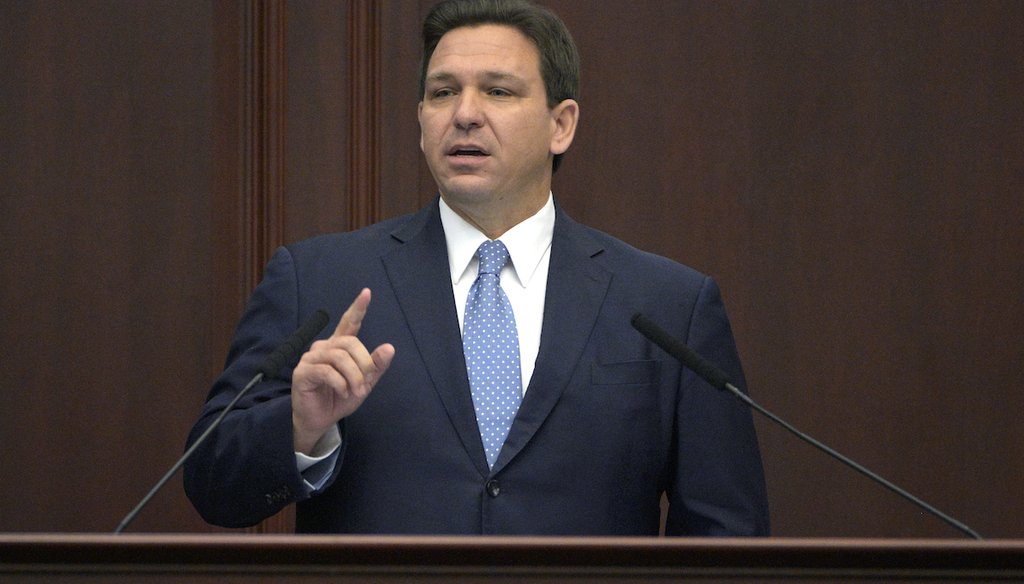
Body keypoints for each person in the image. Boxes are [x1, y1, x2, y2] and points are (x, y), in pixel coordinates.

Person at [184, 0, 769, 536]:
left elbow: (727, 536)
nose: (464, 114)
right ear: (419, 121)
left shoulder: (667, 305)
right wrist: (298, 427)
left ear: (560, 124)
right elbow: (212, 485)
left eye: (498, 91)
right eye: (442, 93)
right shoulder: (317, 280)